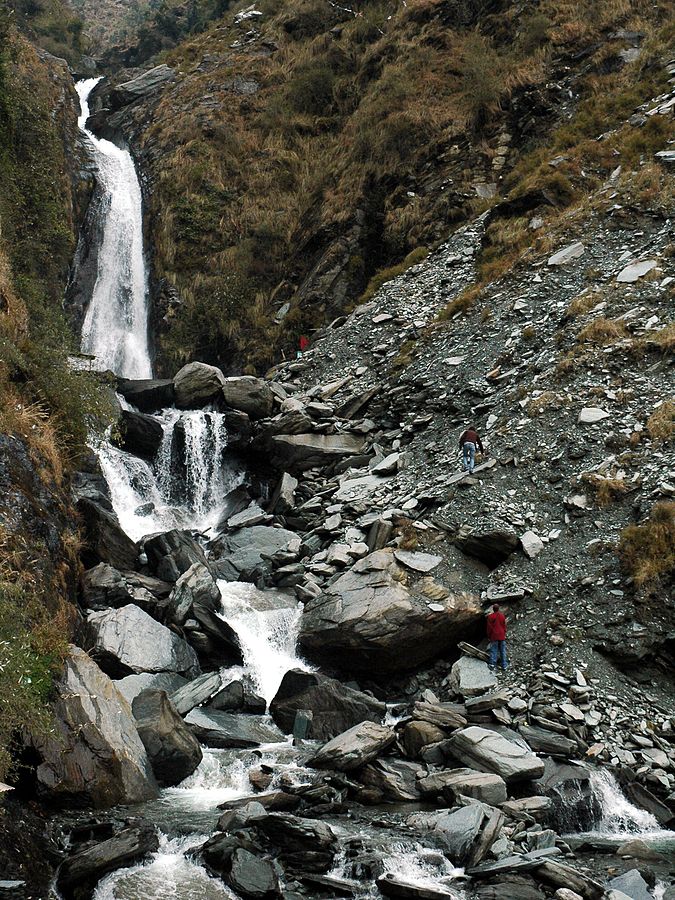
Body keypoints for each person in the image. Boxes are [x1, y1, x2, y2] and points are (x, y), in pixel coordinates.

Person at [487, 603, 508, 671]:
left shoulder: (490, 617)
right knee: (503, 650)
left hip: (494, 635)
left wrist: (489, 635)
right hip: (502, 635)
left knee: (494, 650)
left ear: (493, 609)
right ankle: (504, 665)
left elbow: (489, 628)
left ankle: (493, 664)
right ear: (498, 609)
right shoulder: (502, 616)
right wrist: (504, 632)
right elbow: (504, 626)